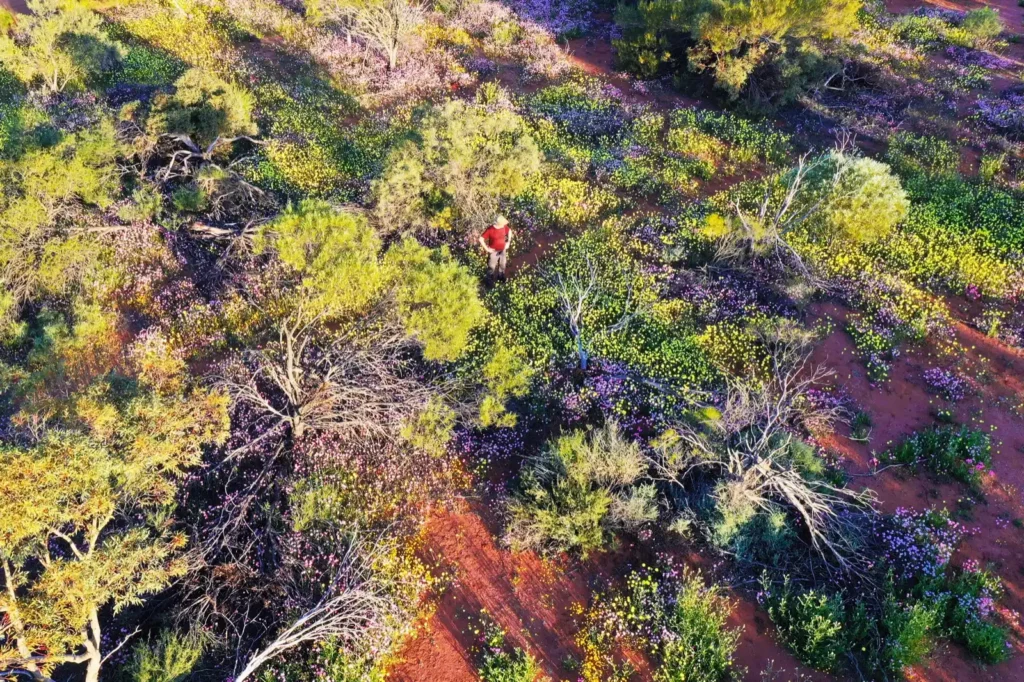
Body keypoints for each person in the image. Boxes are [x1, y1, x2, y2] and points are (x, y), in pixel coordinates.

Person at [479, 215, 513, 280]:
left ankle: (501, 277)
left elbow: (509, 231)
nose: (504, 225)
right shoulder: (490, 230)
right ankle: (489, 280)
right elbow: (481, 239)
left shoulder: (504, 227)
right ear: (498, 224)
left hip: (502, 250)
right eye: (503, 224)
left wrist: (508, 241)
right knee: (491, 267)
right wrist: (487, 249)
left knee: (502, 265)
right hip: (493, 252)